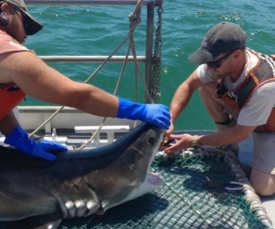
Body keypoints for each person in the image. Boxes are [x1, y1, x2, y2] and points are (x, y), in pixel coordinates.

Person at [0, 0, 171, 161]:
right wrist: (139, 110)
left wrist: (21, 140)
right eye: (26, 25)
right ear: (6, 10)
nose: (26, 35)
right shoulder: (11, 54)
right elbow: (78, 96)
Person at [164, 22, 275, 196]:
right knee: (207, 87)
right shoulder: (223, 63)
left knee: (262, 187)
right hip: (252, 113)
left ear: (237, 55)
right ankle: (228, 146)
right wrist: (169, 121)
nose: (208, 67)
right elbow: (188, 85)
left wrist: (194, 141)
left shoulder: (263, 85)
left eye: (214, 64)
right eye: (206, 61)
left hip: (270, 128)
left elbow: (241, 133)